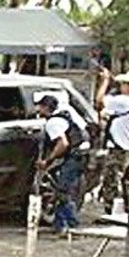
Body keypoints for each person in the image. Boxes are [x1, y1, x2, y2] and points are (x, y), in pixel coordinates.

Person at [94, 66, 129, 212]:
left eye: (125, 84)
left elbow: (99, 101)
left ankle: (108, 209)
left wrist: (105, 81)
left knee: (111, 179)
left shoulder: (124, 101)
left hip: (120, 147)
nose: (121, 86)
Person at [36, 93, 89, 232]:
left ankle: (71, 223)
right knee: (65, 190)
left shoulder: (53, 123)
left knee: (63, 191)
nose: (38, 110)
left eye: (40, 107)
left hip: (74, 157)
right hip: (81, 154)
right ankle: (60, 224)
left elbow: (63, 144)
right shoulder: (65, 115)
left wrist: (48, 161)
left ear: (45, 107)